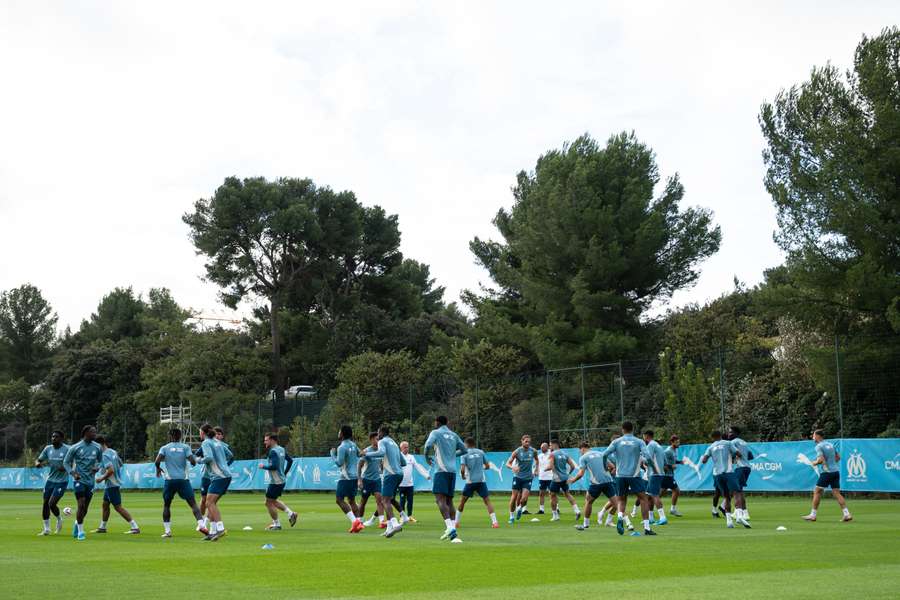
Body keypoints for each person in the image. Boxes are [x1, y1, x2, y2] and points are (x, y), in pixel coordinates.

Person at [600, 421, 656, 536]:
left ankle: (620, 517)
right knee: (643, 499)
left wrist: (604, 466)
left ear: (622, 429)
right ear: (633, 429)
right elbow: (648, 456)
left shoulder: (616, 442)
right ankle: (647, 528)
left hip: (620, 476)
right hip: (634, 475)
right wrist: (652, 466)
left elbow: (605, 454)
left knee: (621, 500)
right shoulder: (639, 441)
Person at [155, 428, 207, 537]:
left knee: (167, 505)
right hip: (183, 480)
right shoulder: (185, 447)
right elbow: (192, 461)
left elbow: (157, 461)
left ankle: (167, 531)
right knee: (193, 504)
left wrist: (158, 468)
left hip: (170, 481)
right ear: (180, 436)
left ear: (170, 436)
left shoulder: (164, 448)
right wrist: (192, 463)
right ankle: (202, 525)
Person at [423, 415, 467, 541]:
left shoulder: (435, 432)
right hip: (452, 472)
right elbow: (464, 450)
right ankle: (453, 532)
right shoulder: (454, 435)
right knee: (449, 501)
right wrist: (453, 454)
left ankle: (449, 527)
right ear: (447, 422)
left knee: (439, 500)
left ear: (437, 422)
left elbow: (427, 446)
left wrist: (426, 457)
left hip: (441, 470)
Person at [361, 425, 406, 538]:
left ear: (381, 432)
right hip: (399, 474)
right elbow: (403, 462)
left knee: (384, 500)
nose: (378, 435)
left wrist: (367, 453)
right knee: (389, 499)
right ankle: (389, 528)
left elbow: (381, 453)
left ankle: (395, 523)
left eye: (378, 433)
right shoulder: (395, 443)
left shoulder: (382, 441)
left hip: (390, 474)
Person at [700, 431, 750, 529]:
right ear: (720, 436)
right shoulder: (728, 443)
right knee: (737, 493)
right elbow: (738, 454)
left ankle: (729, 521)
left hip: (717, 475)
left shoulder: (710, 447)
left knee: (727, 497)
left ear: (713, 437)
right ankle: (739, 516)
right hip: (728, 473)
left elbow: (704, 460)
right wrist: (733, 457)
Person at [91, 436, 140, 534]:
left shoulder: (104, 455)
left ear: (99, 444)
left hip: (112, 483)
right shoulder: (113, 452)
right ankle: (102, 527)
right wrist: (100, 468)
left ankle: (135, 527)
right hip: (113, 482)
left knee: (118, 507)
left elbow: (111, 470)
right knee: (105, 504)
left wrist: (101, 478)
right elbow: (120, 464)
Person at [63, 425, 104, 541]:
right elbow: (66, 462)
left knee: (85, 508)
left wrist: (97, 468)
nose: (95, 434)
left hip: (90, 481)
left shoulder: (97, 447)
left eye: (95, 432)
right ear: (86, 433)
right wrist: (73, 473)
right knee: (81, 504)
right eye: (93, 432)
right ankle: (81, 532)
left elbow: (101, 462)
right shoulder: (75, 447)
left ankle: (77, 523)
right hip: (79, 480)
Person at [803, 430, 852, 523]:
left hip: (827, 473)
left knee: (817, 492)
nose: (813, 437)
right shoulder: (830, 445)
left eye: (813, 435)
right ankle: (847, 514)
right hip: (835, 471)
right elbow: (838, 457)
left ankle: (813, 515)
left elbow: (821, 460)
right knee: (837, 493)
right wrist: (831, 464)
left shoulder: (818, 446)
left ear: (818, 436)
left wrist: (815, 463)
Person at [568, 441, 619, 531]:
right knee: (616, 503)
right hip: (608, 481)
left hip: (596, 483)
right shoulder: (601, 454)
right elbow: (612, 466)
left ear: (583, 448)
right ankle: (627, 522)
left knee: (589, 501)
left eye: (580, 451)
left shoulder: (583, 457)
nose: (580, 452)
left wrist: (573, 480)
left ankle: (585, 524)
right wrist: (608, 472)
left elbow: (580, 474)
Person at [196, 423, 233, 541]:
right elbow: (230, 455)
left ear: (203, 432)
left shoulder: (206, 442)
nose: (199, 434)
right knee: (211, 503)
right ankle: (212, 532)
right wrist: (222, 463)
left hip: (219, 476)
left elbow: (209, 458)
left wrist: (199, 460)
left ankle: (220, 529)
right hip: (226, 474)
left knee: (209, 503)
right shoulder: (218, 442)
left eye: (200, 432)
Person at [456, 437, 499, 529]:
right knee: (487, 501)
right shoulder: (481, 452)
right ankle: (495, 523)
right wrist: (480, 468)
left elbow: (462, 469)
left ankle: (456, 522)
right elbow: (487, 466)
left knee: (462, 502)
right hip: (481, 481)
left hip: (470, 482)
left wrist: (463, 476)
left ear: (466, 444)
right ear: (474, 444)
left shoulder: (464, 454)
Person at [258, 432, 297, 531]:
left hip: (275, 481)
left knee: (268, 503)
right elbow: (290, 461)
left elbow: (274, 466)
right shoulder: (281, 449)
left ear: (272, 440)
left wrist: (263, 467)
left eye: (266, 440)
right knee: (273, 501)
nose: (264, 442)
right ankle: (290, 513)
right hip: (280, 480)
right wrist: (284, 472)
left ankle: (277, 524)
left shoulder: (273, 452)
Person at [34, 430, 70, 536]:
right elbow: (38, 460)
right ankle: (46, 529)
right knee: (45, 503)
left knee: (52, 503)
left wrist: (66, 467)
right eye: (53, 436)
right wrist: (37, 463)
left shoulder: (67, 449)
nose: (53, 438)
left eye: (56, 437)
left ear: (62, 438)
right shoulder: (48, 448)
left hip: (62, 481)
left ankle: (59, 519)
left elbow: (73, 462)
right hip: (50, 480)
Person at [331, 425, 364, 533]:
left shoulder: (342, 447)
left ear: (343, 434)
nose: (338, 432)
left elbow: (339, 463)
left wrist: (332, 455)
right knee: (352, 500)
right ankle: (359, 523)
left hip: (346, 477)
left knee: (339, 500)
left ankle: (355, 521)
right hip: (354, 477)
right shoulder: (353, 445)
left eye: (339, 431)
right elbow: (361, 454)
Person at [505, 434, 539, 524]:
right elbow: (507, 463)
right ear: (522, 441)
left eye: (529, 442)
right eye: (526, 441)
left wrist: (536, 469)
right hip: (518, 477)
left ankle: (519, 508)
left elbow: (537, 460)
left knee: (524, 499)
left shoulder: (533, 451)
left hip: (528, 478)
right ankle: (511, 516)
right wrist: (513, 467)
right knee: (514, 497)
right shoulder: (517, 451)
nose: (527, 443)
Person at [546, 439, 581, 521]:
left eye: (550, 445)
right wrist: (567, 475)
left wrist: (545, 469)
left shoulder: (552, 454)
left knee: (552, 495)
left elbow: (550, 466)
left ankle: (555, 516)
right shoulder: (565, 453)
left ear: (555, 445)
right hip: (564, 478)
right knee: (567, 494)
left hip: (556, 478)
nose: (550, 447)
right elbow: (572, 466)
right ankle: (577, 510)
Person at [398, 440, 430, 523]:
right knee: (402, 501)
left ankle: (409, 516)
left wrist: (426, 475)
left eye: (407, 447)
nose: (407, 449)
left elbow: (418, 467)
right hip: (401, 484)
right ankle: (402, 517)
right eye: (405, 447)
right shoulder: (398, 456)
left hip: (410, 484)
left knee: (410, 501)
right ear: (401, 448)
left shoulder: (411, 457)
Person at [357, 432, 384, 529]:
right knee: (363, 502)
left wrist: (381, 468)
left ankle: (381, 522)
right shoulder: (367, 451)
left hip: (376, 480)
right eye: (376, 439)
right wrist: (359, 480)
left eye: (379, 439)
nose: (378, 441)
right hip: (366, 480)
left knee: (380, 500)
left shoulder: (381, 451)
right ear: (371, 440)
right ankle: (359, 521)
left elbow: (381, 463)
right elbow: (359, 466)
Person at [643, 430, 670, 526]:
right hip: (658, 473)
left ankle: (663, 517)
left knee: (654, 495)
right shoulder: (659, 446)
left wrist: (642, 460)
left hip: (654, 473)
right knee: (648, 496)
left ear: (646, 436)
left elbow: (648, 459)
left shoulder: (650, 445)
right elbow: (666, 462)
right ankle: (650, 518)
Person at [728, 426, 753, 522]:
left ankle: (739, 511)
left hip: (740, 467)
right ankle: (744, 512)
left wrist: (734, 458)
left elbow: (734, 454)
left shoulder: (733, 442)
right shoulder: (744, 442)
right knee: (740, 490)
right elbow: (750, 455)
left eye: (730, 432)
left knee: (736, 490)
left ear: (735, 433)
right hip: (747, 467)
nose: (729, 434)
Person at [664, 435, 684, 517]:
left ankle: (649, 508)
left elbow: (673, 460)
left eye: (679, 442)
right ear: (672, 442)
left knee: (658, 494)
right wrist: (671, 466)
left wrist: (679, 462)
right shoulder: (668, 451)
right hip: (667, 475)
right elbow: (663, 462)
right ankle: (672, 509)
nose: (678, 443)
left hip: (669, 475)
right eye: (677, 442)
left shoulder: (674, 450)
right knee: (676, 490)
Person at [536, 442, 553, 514]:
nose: (541, 449)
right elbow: (537, 465)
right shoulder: (539, 456)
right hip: (542, 477)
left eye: (543, 447)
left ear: (547, 447)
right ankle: (541, 509)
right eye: (541, 447)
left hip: (550, 477)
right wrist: (535, 471)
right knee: (541, 493)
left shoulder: (551, 454)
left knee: (552, 494)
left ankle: (556, 508)